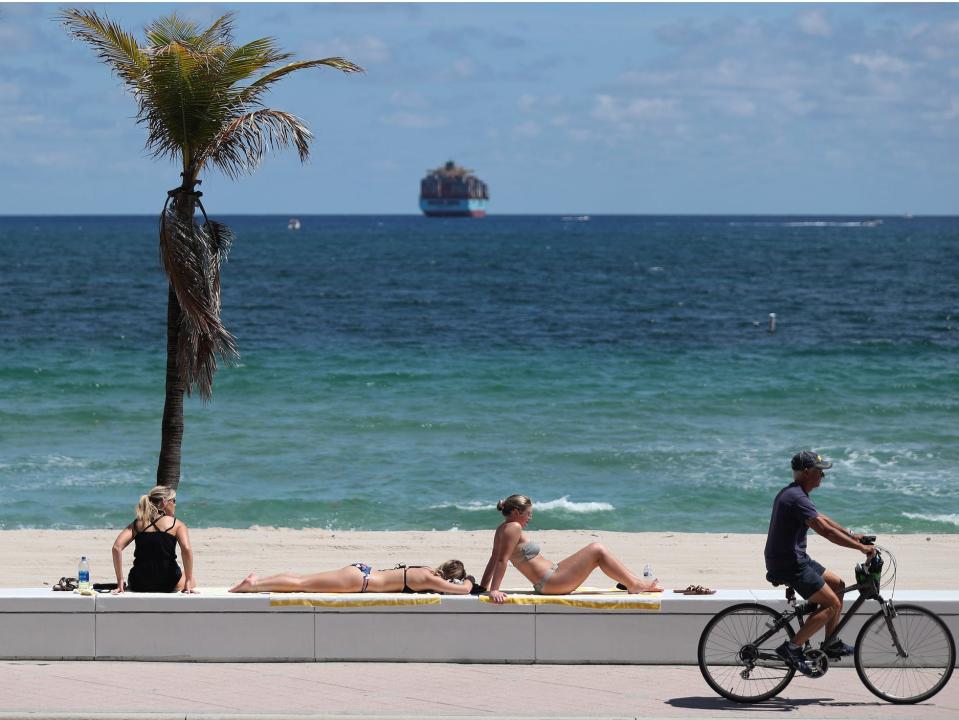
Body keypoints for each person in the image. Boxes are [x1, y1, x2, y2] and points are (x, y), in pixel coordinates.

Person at [764, 450, 876, 675]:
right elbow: (824, 531)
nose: (822, 476)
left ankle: (831, 643)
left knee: (839, 585)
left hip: (796, 558)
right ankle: (792, 647)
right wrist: (861, 548)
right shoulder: (796, 497)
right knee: (832, 604)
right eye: (819, 471)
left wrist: (853, 535)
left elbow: (822, 518)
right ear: (806, 472)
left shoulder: (797, 494)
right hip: (790, 564)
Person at [479, 494, 663, 603]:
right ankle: (634, 584)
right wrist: (494, 590)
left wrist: (483, 587)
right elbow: (501, 560)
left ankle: (635, 582)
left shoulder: (502, 528)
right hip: (552, 583)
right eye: (528, 514)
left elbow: (493, 559)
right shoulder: (514, 528)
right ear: (517, 513)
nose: (530, 518)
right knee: (597, 549)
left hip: (553, 576)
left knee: (596, 550)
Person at [111, 485, 197, 593]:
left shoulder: (138, 523)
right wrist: (188, 580)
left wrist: (120, 580)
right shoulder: (177, 524)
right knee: (192, 579)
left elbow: (116, 548)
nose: (175, 504)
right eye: (173, 501)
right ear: (164, 502)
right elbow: (186, 549)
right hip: (168, 582)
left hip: (139, 582)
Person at [228, 559, 476, 594]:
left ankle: (257, 581)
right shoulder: (430, 579)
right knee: (302, 585)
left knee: (303, 580)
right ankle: (254, 584)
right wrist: (470, 581)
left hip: (362, 572)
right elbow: (464, 590)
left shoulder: (424, 571)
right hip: (360, 582)